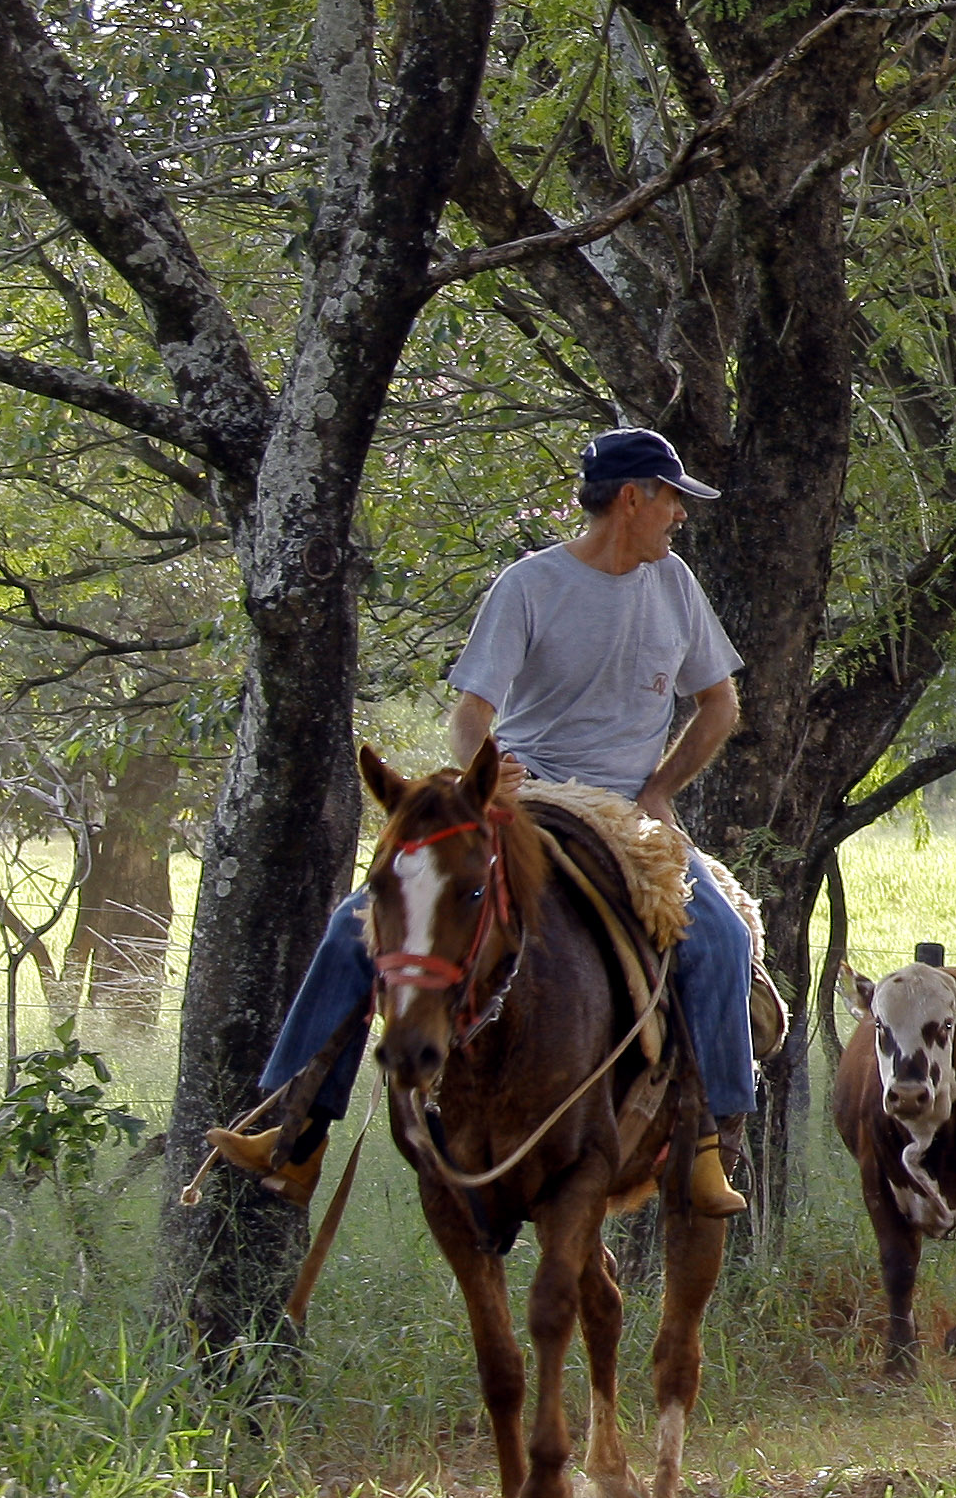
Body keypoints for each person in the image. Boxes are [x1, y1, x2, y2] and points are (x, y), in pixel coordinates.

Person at [209, 427, 764, 1218]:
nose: (680, 514)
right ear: (631, 498)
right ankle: (292, 1132)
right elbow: (472, 714)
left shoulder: (674, 583)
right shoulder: (529, 585)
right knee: (356, 925)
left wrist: (661, 789)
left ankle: (709, 1146)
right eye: (672, 498)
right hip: (530, 798)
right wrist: (486, 775)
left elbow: (720, 704)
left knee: (722, 937)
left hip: (625, 812)